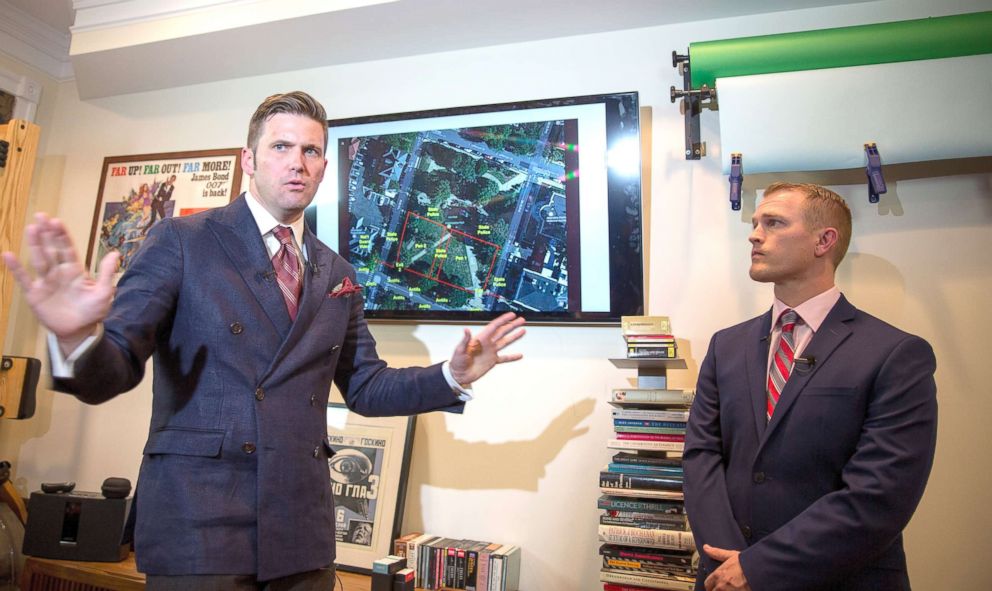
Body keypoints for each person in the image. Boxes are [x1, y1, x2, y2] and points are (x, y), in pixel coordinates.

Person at [2, 91, 526, 590]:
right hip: (199, 524)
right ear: (248, 160)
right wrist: (73, 337)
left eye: (311, 150)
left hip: (301, 530)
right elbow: (113, 368)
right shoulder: (181, 240)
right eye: (281, 146)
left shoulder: (336, 271)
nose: (297, 162)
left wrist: (450, 376)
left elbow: (366, 386)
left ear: (323, 167)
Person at [683, 182, 937, 591]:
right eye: (754, 223)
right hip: (723, 576)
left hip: (838, 578)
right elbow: (701, 457)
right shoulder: (725, 345)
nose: (754, 234)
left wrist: (757, 568)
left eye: (774, 222)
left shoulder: (895, 354)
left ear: (824, 240)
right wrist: (729, 561)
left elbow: (879, 496)